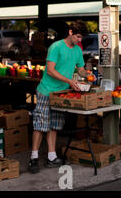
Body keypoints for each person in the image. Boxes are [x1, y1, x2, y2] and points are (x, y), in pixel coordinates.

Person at [28, 21, 96, 174]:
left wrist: (88, 74)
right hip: (46, 91)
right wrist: (69, 81)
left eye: (82, 38)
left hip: (61, 93)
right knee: (40, 124)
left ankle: (51, 157)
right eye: (78, 37)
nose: (80, 40)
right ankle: (33, 157)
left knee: (54, 125)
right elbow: (50, 71)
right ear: (71, 32)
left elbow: (80, 70)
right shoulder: (56, 47)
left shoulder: (78, 50)